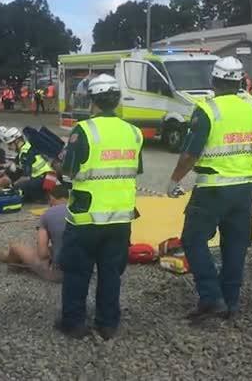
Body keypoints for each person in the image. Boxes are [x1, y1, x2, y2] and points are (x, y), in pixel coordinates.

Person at [167, 56, 252, 323]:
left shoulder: (208, 110)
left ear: (214, 80)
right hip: (245, 188)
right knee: (235, 245)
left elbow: (190, 154)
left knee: (193, 239)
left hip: (213, 188)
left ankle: (211, 296)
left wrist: (174, 180)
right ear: (241, 81)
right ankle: (229, 303)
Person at [56, 73, 144, 340]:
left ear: (92, 100)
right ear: (116, 100)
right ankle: (107, 323)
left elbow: (68, 173)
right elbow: (134, 170)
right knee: (111, 272)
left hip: (86, 218)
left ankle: (74, 323)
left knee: (77, 271)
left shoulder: (83, 130)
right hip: (120, 217)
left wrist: (57, 163)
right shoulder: (134, 132)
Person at [0, 185, 68, 282]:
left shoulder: (48, 214)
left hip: (60, 274)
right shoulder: (83, 211)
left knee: (16, 247)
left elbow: (42, 253)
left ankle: (11, 263)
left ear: (52, 198)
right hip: (83, 272)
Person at [0, 127, 54, 202]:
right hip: (48, 177)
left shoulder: (25, 153)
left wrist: (13, 185)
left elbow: (26, 177)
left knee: (18, 187)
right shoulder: (26, 147)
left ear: (18, 140)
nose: (9, 148)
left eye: (10, 144)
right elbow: (14, 164)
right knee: (15, 176)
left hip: (47, 180)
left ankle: (41, 197)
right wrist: (4, 172)